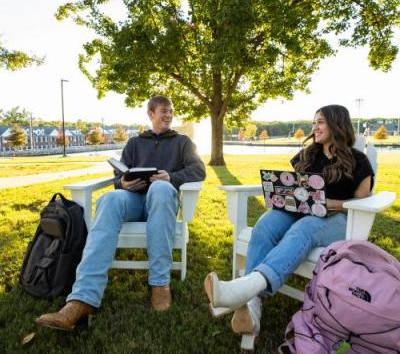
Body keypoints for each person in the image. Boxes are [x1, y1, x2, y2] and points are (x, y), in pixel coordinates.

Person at [204, 104, 374, 340]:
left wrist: (331, 204)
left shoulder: (359, 161)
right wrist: (281, 197)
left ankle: (244, 290)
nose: (314, 127)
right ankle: (251, 307)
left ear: (337, 124)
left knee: (302, 228)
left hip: (340, 219)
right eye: (314, 122)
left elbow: (361, 202)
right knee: (265, 224)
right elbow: (295, 187)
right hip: (303, 210)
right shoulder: (307, 155)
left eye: (321, 122)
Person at [36, 96, 206, 331]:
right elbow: (120, 174)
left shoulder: (183, 142)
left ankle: (159, 283)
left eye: (171, 112)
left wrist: (172, 177)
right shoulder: (135, 143)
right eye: (164, 111)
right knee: (109, 198)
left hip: (162, 203)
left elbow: (198, 170)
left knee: (160, 188)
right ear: (151, 114)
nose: (168, 115)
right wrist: (122, 184)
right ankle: (81, 299)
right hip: (134, 200)